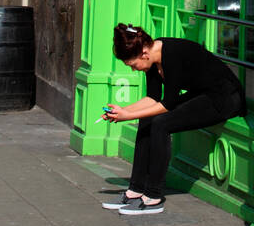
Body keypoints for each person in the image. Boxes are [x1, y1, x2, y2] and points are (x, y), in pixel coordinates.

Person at [101, 24, 246, 215]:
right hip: (202, 94)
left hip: (225, 98)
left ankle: (153, 197)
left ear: (144, 53)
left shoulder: (172, 54)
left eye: (133, 65)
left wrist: (127, 116)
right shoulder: (152, 60)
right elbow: (152, 98)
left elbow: (168, 103)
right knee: (148, 119)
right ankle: (135, 190)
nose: (135, 70)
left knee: (161, 123)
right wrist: (122, 111)